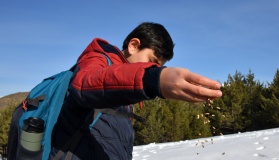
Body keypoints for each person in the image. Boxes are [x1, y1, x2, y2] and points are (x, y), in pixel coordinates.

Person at [49, 22, 222, 159]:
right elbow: (85, 84)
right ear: (133, 45)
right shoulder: (98, 58)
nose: (152, 68)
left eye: (157, 66)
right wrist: (152, 79)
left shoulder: (127, 94)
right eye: (151, 61)